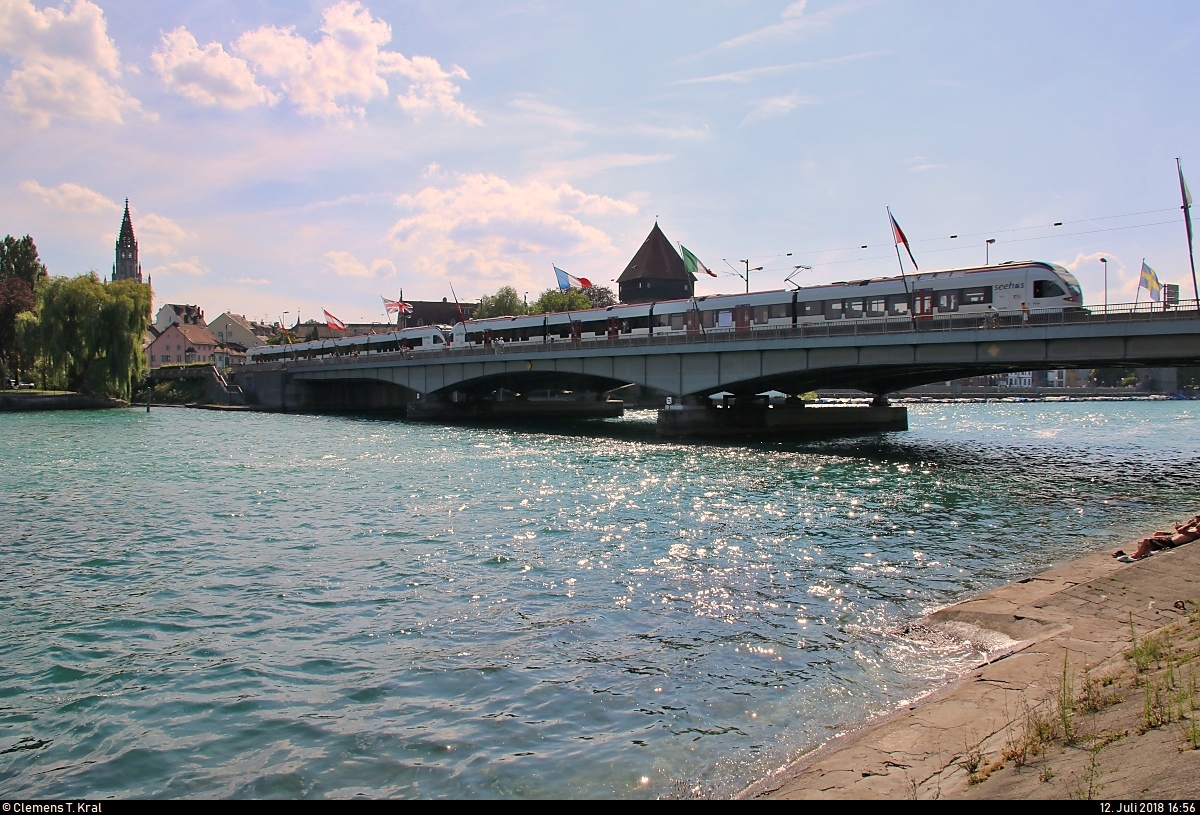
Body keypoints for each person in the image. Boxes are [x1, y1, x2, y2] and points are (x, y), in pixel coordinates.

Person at [1114, 515, 1200, 561]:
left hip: (1169, 543)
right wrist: (1187, 525)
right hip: (1169, 539)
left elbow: (1181, 531)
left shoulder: (1196, 534)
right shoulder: (1195, 530)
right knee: (1142, 542)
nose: (1197, 523)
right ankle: (1139, 553)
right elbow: (1180, 531)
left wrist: (1189, 524)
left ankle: (1135, 557)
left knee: (1147, 541)